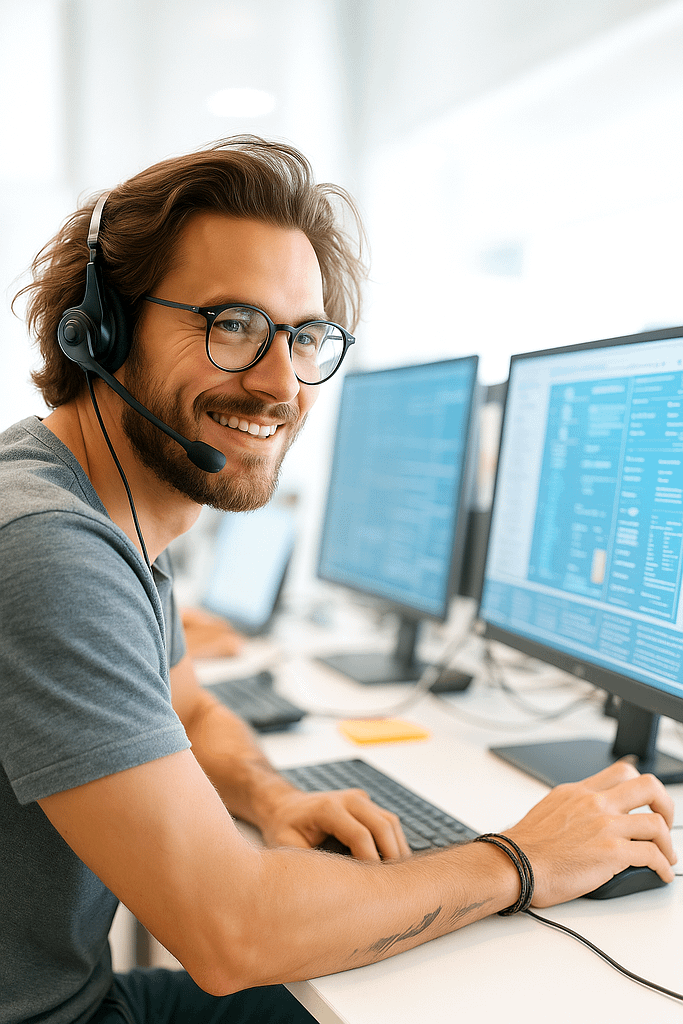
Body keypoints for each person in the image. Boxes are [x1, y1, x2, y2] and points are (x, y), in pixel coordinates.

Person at [0, 136, 676, 1024]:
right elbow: (230, 931)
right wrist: (520, 859)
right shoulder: (51, 546)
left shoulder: (102, 510)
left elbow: (190, 711)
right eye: (232, 324)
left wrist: (275, 799)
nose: (281, 382)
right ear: (100, 330)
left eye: (305, 335)